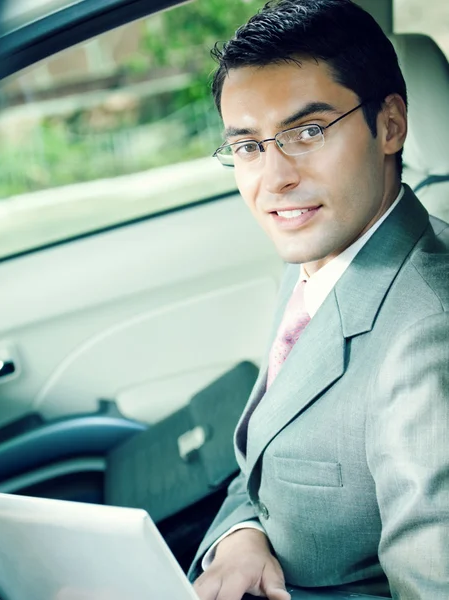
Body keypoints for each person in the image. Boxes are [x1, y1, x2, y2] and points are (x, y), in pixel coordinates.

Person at [189, 1, 449, 599]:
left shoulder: (427, 339)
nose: (273, 178)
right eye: (249, 146)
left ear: (390, 126)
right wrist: (241, 536)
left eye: (307, 132)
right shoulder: (321, 257)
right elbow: (264, 459)